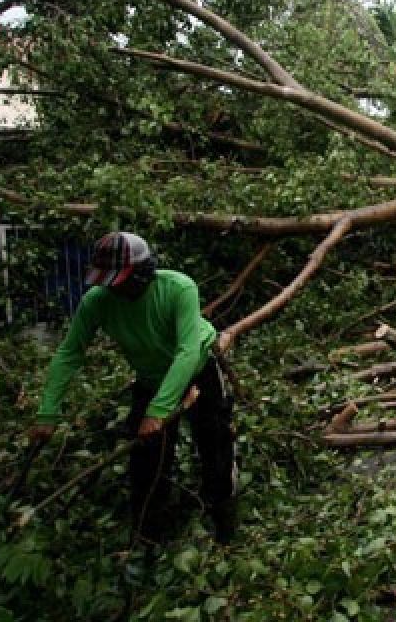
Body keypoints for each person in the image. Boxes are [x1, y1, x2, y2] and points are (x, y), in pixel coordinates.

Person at [27, 232, 238, 544]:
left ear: (143, 273)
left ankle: (223, 528)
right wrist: (47, 411)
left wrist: (159, 410)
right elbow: (69, 354)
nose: (113, 288)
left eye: (120, 280)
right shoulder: (96, 302)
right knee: (145, 463)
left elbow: (188, 352)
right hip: (151, 379)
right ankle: (148, 539)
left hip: (198, 372)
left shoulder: (178, 288)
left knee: (213, 446)